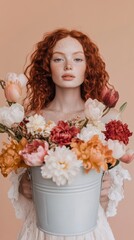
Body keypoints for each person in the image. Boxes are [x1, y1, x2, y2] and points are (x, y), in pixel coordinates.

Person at [8, 28, 131, 240]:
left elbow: (105, 198)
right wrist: (23, 186)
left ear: (87, 67)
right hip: (43, 229)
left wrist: (106, 183)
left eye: (77, 59)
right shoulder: (30, 120)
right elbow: (22, 179)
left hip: (88, 230)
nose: (68, 66)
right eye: (58, 59)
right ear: (47, 66)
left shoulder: (103, 120)